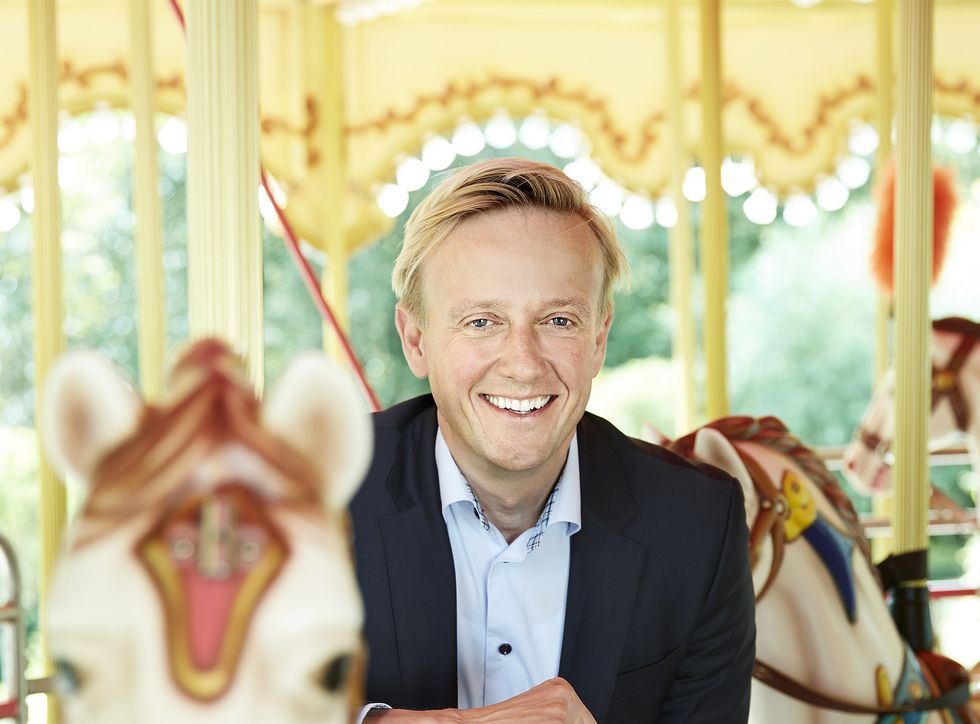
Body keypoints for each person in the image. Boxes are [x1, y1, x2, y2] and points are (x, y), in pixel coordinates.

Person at [349, 157, 755, 723]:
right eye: (481, 321)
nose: (523, 364)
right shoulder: (308, 490)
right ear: (416, 340)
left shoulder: (699, 524)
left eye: (559, 320)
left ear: (599, 338)